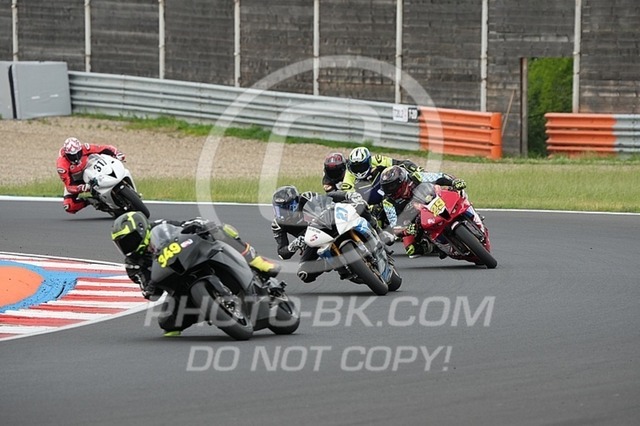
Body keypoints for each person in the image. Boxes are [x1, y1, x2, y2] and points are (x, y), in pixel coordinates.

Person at [111, 211, 280, 336]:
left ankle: (256, 261)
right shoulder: (133, 264)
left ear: (141, 229)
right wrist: (149, 288)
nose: (127, 247)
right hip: (179, 285)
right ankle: (210, 309)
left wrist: (198, 224)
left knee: (221, 229)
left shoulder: (159, 226)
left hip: (195, 256)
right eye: (122, 244)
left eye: (129, 240)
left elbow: (183, 225)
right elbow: (150, 290)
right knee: (167, 324)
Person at [271, 185, 392, 283]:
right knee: (304, 273)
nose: (283, 213)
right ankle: (333, 263)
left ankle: (380, 233)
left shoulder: (306, 197)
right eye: (279, 209)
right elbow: (282, 252)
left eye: (286, 208)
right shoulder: (277, 224)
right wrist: (294, 245)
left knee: (360, 206)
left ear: (295, 203)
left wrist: (348, 195)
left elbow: (329, 196)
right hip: (312, 240)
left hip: (329, 222)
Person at [379, 165, 473, 258]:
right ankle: (434, 246)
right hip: (414, 220)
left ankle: (469, 212)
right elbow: (394, 225)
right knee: (412, 250)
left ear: (401, 181)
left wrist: (454, 181)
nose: (389, 190)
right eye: (386, 187)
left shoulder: (415, 176)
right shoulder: (387, 202)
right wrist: (406, 230)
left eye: (391, 186)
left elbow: (439, 176)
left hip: (432, 199)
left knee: (456, 192)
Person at [56, 137, 126, 214]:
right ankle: (91, 201)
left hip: (90, 169)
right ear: (66, 154)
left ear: (80, 149)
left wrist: (117, 153)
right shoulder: (62, 166)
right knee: (69, 206)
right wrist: (81, 188)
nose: (76, 157)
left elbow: (104, 148)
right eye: (71, 155)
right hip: (76, 181)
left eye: (78, 153)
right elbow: (69, 186)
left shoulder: (85, 148)